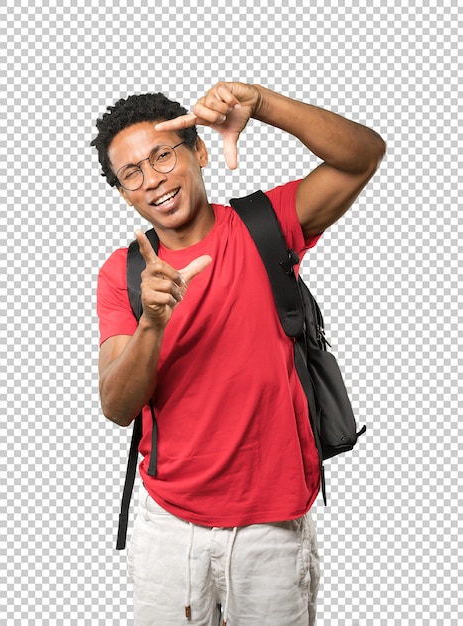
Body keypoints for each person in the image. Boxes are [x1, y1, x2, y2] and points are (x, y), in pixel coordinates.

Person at [91, 82, 385, 626]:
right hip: (169, 527)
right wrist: (152, 324)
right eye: (132, 174)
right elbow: (116, 406)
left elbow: (363, 155)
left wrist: (264, 103)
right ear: (124, 194)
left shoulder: (265, 224)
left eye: (163, 155)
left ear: (199, 152)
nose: (152, 178)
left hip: (272, 524)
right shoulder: (123, 273)